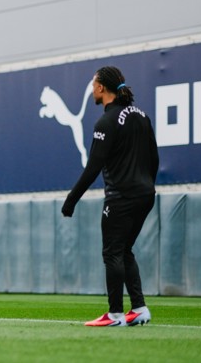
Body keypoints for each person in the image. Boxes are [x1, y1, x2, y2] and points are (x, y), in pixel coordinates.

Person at [61, 66, 158, 327]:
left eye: (93, 84)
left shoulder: (106, 122)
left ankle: (115, 314)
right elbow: (154, 158)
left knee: (112, 253)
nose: (92, 89)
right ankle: (139, 309)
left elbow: (93, 167)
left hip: (121, 197)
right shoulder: (142, 116)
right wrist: (146, 186)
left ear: (102, 87)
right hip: (146, 195)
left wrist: (71, 200)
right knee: (124, 250)